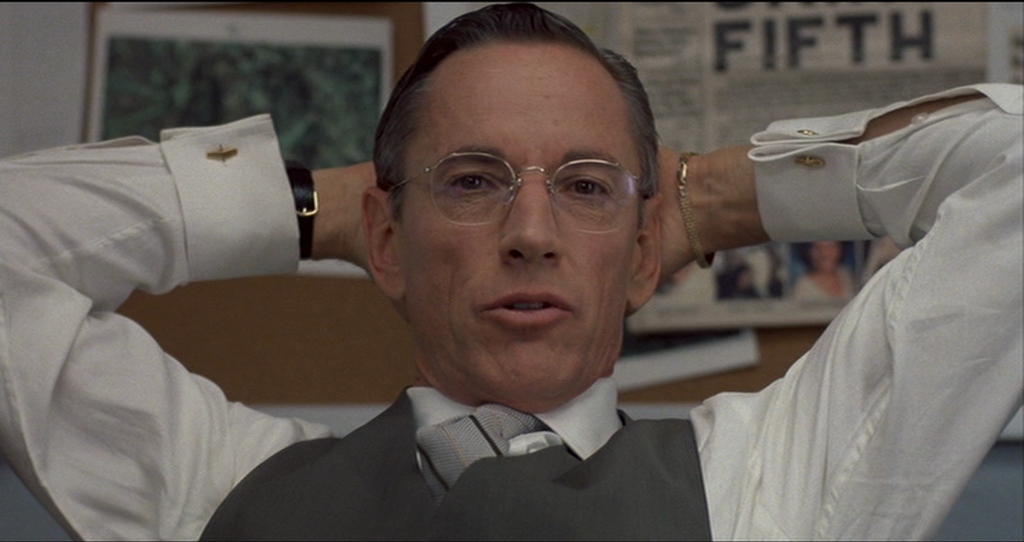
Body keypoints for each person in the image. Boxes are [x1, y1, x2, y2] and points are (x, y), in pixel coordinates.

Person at [0, 3, 1020, 540]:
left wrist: (712, 197)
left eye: (585, 187)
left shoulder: (766, 487)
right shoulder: (219, 489)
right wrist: (319, 208)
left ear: (641, 253)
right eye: (474, 181)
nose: (531, 230)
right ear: (387, 243)